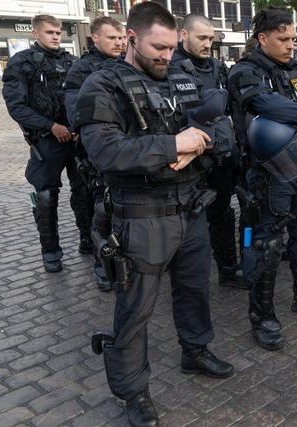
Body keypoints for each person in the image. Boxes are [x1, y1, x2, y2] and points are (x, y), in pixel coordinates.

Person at [75, 3, 235, 425]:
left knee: (194, 289)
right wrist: (174, 145)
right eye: (157, 47)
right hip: (141, 216)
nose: (167, 55)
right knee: (136, 309)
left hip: (191, 208)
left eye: (171, 46)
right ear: (131, 38)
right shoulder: (102, 85)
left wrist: (200, 143)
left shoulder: (182, 76)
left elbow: (222, 125)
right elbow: (105, 152)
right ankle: (133, 392)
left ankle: (195, 350)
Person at [228, 7, 297, 351]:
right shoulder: (245, 71)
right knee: (267, 242)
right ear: (262, 38)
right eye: (283, 39)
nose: (290, 45)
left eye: (293, 38)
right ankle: (262, 317)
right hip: (268, 171)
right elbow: (263, 103)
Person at [2, 15, 91, 273]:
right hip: (46, 143)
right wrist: (50, 126)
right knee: (44, 197)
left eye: (58, 32)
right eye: (50, 32)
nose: (55, 36)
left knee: (84, 191)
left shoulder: (72, 62)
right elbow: (17, 107)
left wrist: (78, 127)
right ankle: (50, 250)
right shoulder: (22, 63)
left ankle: (87, 238)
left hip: (75, 140)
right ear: (35, 34)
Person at [171, 14, 245, 289]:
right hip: (188, 158)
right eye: (201, 37)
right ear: (183, 35)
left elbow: (230, 107)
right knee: (186, 221)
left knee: (223, 213)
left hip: (220, 155)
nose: (207, 43)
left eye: (210, 38)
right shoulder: (169, 66)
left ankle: (227, 268)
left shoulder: (217, 66)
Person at [64, 15, 124, 291]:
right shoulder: (81, 70)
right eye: (112, 37)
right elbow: (78, 113)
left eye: (122, 37)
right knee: (103, 211)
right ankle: (103, 266)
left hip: (128, 150)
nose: (119, 42)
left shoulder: (127, 65)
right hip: (99, 153)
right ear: (95, 38)